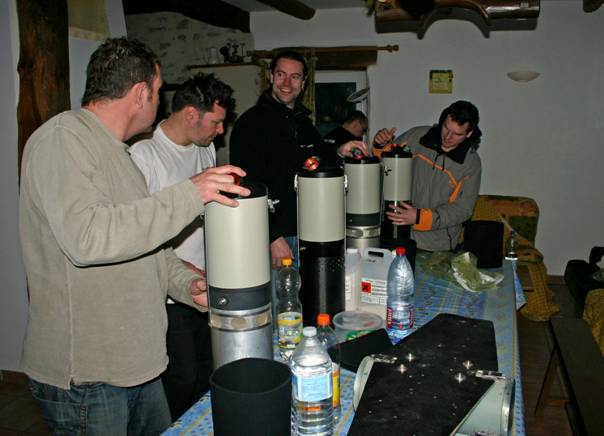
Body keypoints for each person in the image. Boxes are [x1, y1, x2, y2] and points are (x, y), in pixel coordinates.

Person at [18, 37, 249, 435]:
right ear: (141, 93)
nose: (160, 101)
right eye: (158, 92)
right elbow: (88, 238)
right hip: (89, 377)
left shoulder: (120, 155)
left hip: (136, 366)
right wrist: (190, 193)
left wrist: (186, 283)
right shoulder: (63, 139)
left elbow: (145, 243)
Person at [129, 72, 234, 420]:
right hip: (170, 293)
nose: (221, 130)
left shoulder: (206, 149)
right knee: (182, 380)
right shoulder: (144, 155)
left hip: (207, 285)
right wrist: (181, 269)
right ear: (191, 114)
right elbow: (138, 229)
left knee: (208, 372)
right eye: (216, 122)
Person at [230, 50, 368, 268]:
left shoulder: (303, 123)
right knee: (280, 291)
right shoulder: (250, 123)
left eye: (294, 77)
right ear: (271, 77)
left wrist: (340, 151)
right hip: (275, 237)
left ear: (303, 83)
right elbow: (245, 186)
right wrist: (272, 236)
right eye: (281, 75)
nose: (287, 83)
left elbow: (320, 160)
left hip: (309, 230)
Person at [373, 100, 482, 252]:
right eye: (446, 128)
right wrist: (380, 144)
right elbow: (386, 162)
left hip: (436, 246)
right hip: (396, 234)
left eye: (457, 134)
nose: (448, 137)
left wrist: (419, 218)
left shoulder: (471, 164)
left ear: (469, 133)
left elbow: (462, 209)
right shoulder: (416, 136)